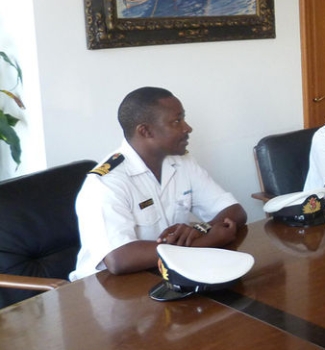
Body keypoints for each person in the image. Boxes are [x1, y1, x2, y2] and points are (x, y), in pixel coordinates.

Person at [69, 87, 247, 281]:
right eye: (177, 121)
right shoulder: (106, 184)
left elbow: (235, 211)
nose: (188, 128)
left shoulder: (181, 162)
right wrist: (206, 241)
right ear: (145, 131)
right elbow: (119, 259)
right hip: (109, 289)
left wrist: (201, 230)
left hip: (165, 274)